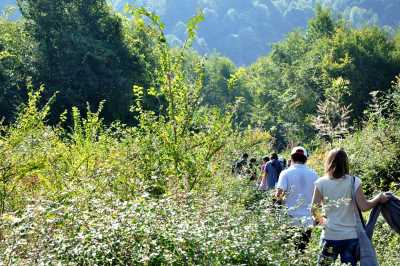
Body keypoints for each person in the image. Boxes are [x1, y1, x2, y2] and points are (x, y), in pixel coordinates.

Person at [311, 148, 389, 266]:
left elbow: (314, 209)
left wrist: (323, 221)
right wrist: (378, 198)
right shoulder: (353, 181)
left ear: (329, 162)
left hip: (330, 235)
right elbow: (364, 206)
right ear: (345, 163)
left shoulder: (321, 182)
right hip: (350, 236)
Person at [275, 146, 319, 250]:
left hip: (290, 218)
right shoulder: (314, 174)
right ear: (306, 158)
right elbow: (318, 199)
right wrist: (317, 218)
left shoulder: (285, 173)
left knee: (289, 250)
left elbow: (279, 195)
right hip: (307, 220)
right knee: (302, 249)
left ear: (292, 158)